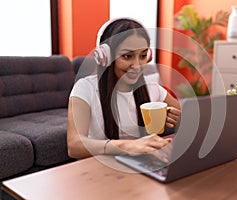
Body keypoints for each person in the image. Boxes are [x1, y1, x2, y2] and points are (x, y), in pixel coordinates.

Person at [67, 18, 181, 161]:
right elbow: (74, 145)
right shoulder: (85, 88)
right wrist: (127, 146)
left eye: (143, 56)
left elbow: (194, 120)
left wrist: (179, 119)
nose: (137, 65)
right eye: (128, 56)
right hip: (99, 169)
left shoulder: (153, 89)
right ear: (105, 56)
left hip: (141, 165)